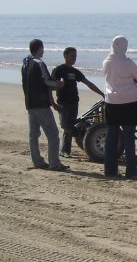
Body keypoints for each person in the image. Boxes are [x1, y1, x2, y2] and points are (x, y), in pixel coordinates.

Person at [102, 36, 137, 179]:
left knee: (111, 138)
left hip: (112, 102)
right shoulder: (128, 62)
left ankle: (110, 170)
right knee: (129, 137)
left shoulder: (106, 62)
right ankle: (131, 171)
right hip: (129, 102)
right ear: (125, 47)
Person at [22, 39, 68, 171]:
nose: (44, 50)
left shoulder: (25, 63)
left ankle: (37, 161)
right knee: (53, 133)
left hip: (30, 103)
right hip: (41, 104)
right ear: (39, 48)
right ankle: (54, 163)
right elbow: (47, 81)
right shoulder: (39, 63)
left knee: (33, 135)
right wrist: (59, 84)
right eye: (43, 48)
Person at [52, 47, 104, 157]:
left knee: (69, 126)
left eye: (75, 56)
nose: (74, 58)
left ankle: (65, 151)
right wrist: (52, 103)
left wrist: (102, 93)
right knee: (65, 125)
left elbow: (88, 83)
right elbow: (49, 86)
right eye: (72, 56)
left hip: (74, 102)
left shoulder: (75, 72)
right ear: (65, 56)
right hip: (62, 102)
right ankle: (81, 133)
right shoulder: (58, 70)